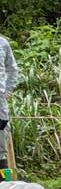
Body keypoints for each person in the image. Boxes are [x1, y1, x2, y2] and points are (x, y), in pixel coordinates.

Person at [0, 33, 18, 172]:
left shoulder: (3, 43)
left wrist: (6, 92)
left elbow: (12, 69)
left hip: (0, 103)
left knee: (1, 146)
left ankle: (3, 182)